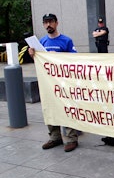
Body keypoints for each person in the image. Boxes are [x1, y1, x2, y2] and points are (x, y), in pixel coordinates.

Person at [28, 13, 80, 152]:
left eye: (50, 22)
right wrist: (33, 55)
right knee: (50, 108)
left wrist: (60, 57)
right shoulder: (41, 42)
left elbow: (74, 60)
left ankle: (71, 138)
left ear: (56, 23)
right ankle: (55, 137)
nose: (48, 25)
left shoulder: (66, 40)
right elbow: (40, 63)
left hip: (63, 82)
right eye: (45, 22)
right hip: (47, 83)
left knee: (67, 107)